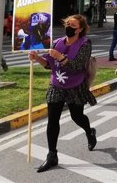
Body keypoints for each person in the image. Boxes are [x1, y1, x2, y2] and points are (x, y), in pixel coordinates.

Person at [28, 14, 97, 173]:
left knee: (77, 116)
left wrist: (60, 56)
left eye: (73, 25)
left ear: (80, 29)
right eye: (68, 24)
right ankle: (52, 155)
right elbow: (49, 65)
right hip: (57, 84)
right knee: (53, 119)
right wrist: (37, 58)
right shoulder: (57, 42)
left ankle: (89, 131)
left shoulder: (85, 44)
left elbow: (78, 66)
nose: (69, 27)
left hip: (75, 85)